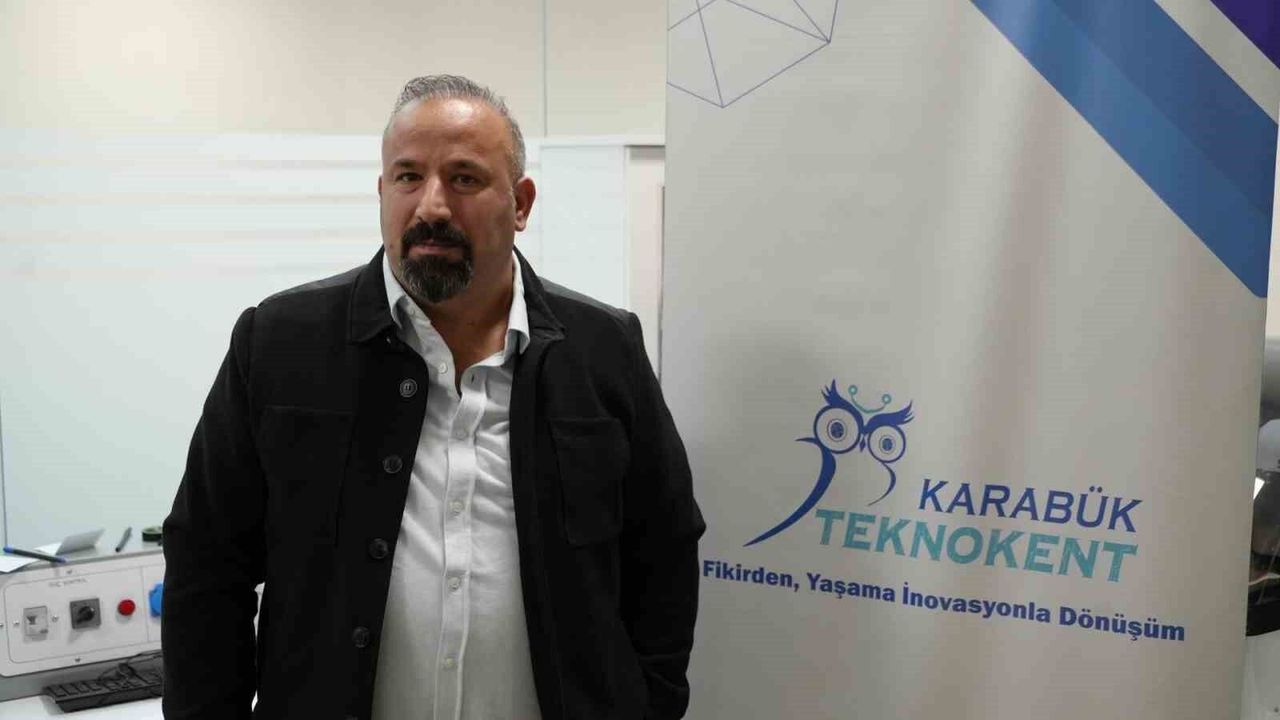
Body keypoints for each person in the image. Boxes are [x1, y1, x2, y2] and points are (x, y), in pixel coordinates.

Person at [161, 75, 704, 720]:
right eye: (408, 177)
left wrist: (651, 705)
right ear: (382, 192)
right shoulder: (280, 343)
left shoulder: (603, 349)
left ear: (521, 203)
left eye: (465, 178)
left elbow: (663, 549)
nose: (432, 206)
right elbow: (207, 564)